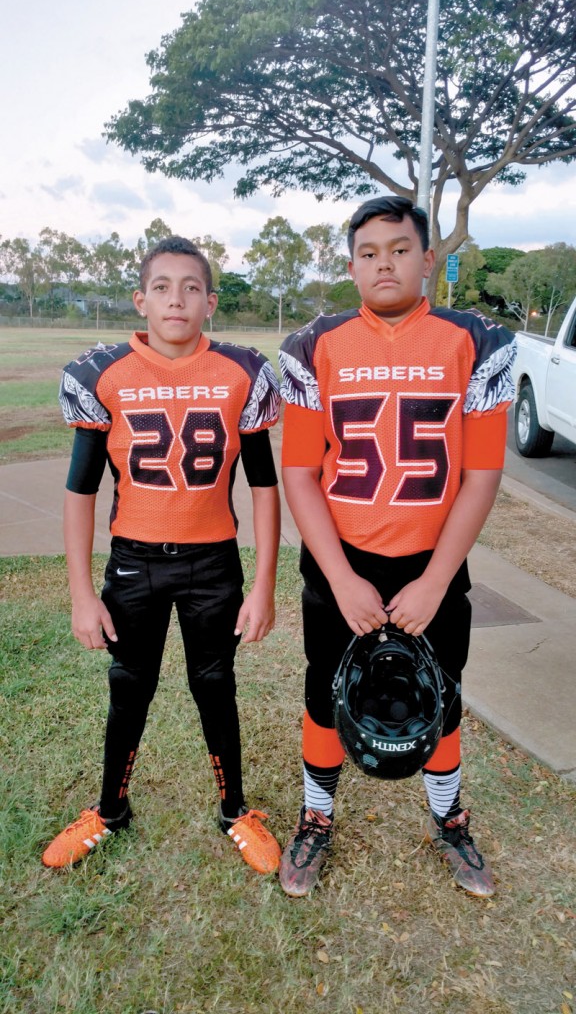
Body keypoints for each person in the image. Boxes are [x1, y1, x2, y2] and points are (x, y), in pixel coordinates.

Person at [277, 196, 517, 898]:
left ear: (428, 259)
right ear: (351, 266)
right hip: (340, 559)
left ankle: (449, 819)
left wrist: (437, 579)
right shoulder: (313, 345)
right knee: (325, 693)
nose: (386, 262)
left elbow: (482, 473)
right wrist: (342, 577)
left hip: (429, 559)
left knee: (442, 697)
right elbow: (298, 471)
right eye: (370, 252)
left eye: (401, 248)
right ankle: (316, 818)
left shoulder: (473, 339)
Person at [42, 236, 282, 875]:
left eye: (192, 287)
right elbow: (79, 492)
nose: (176, 299)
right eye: (162, 287)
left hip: (213, 563)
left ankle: (236, 809)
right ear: (140, 299)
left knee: (215, 684)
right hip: (135, 560)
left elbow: (264, 486)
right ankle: (109, 809)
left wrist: (263, 586)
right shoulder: (105, 374)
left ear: (209, 301)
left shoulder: (241, 372)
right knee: (129, 686)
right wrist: (80, 595)